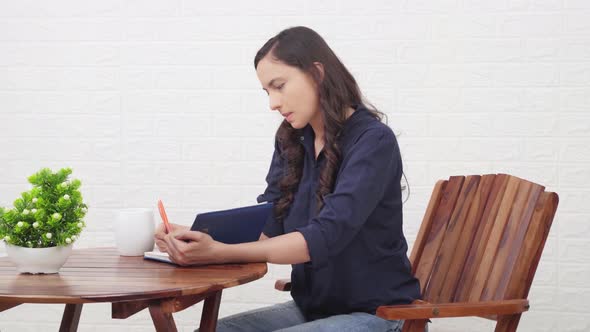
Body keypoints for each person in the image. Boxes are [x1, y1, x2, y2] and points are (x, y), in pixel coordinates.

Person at [155, 26, 422, 332]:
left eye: (279, 86)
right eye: (267, 91)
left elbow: (323, 238)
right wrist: (195, 236)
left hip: (380, 315)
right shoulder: (293, 141)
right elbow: (269, 230)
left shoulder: (373, 141)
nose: (273, 103)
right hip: (313, 310)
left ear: (317, 73)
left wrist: (220, 252)